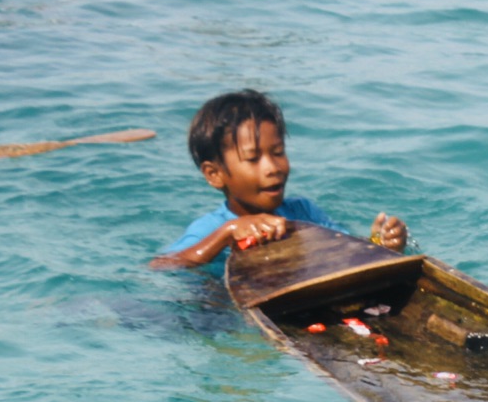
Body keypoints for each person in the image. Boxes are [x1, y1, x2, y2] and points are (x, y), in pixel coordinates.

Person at [153, 89, 407, 269]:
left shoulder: (303, 211)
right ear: (215, 174)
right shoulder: (212, 227)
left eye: (278, 152)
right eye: (253, 159)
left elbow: (344, 249)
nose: (272, 167)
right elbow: (163, 265)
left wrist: (380, 245)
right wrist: (227, 234)